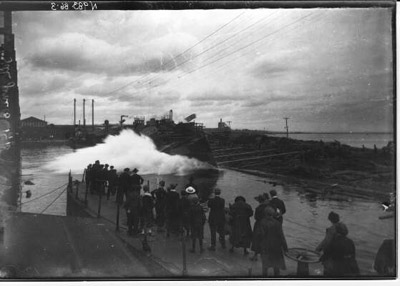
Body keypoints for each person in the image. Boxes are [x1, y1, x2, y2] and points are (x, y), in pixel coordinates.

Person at [316, 211, 348, 276]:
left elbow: (326, 241)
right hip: (342, 254)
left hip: (332, 255)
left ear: (331, 220)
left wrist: (318, 249)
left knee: (328, 272)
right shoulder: (343, 227)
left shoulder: (331, 229)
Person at [259, 206, 288, 277]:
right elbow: (282, 236)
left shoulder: (262, 222)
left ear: (265, 213)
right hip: (276, 247)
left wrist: (258, 247)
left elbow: (260, 236)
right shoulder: (277, 223)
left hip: (266, 247)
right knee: (276, 265)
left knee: (265, 266)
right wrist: (285, 248)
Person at [251, 193, 271, 261]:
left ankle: (255, 255)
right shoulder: (268, 207)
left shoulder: (258, 208)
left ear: (259, 201)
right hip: (267, 224)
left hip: (259, 224)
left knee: (257, 239)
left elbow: (256, 217)